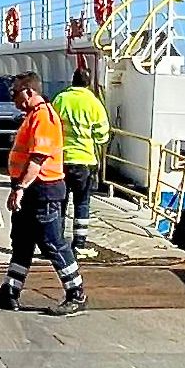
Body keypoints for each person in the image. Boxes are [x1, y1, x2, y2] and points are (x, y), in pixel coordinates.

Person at [0, 71, 87, 316]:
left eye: (14, 92)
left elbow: (38, 158)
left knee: (52, 243)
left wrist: (19, 188)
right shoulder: (31, 116)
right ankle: (10, 291)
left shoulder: (44, 117)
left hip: (43, 190)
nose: (12, 97)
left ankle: (76, 292)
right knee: (22, 243)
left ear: (29, 92)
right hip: (31, 189)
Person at [52, 67, 110, 259]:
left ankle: (57, 242)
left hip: (61, 160)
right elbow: (102, 135)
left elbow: (51, 126)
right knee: (82, 203)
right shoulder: (93, 103)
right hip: (84, 161)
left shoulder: (60, 99)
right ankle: (79, 244)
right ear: (88, 82)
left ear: (72, 80)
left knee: (60, 202)